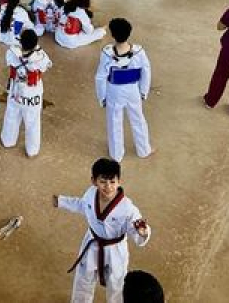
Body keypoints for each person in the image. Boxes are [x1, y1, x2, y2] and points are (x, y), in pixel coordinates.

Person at [54, 158, 151, 303]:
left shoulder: (128, 208)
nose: (108, 187)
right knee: (83, 279)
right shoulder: (90, 194)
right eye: (103, 181)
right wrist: (61, 201)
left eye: (112, 182)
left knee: (117, 285)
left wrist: (143, 233)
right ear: (94, 181)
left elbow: (136, 226)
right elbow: (82, 205)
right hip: (92, 243)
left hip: (115, 250)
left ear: (119, 181)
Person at [95, 18, 153, 163]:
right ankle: (144, 150)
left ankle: (116, 154)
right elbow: (146, 71)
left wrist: (102, 97)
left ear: (112, 35)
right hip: (133, 90)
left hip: (114, 91)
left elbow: (100, 77)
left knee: (114, 121)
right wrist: (143, 91)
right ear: (129, 32)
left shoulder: (107, 53)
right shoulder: (139, 51)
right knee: (138, 119)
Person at [0, 29, 51, 157]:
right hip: (32, 93)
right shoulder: (41, 58)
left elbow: (10, 61)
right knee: (32, 121)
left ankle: (8, 141)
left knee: (11, 115)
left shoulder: (11, 53)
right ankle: (32, 150)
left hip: (15, 90)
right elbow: (47, 65)